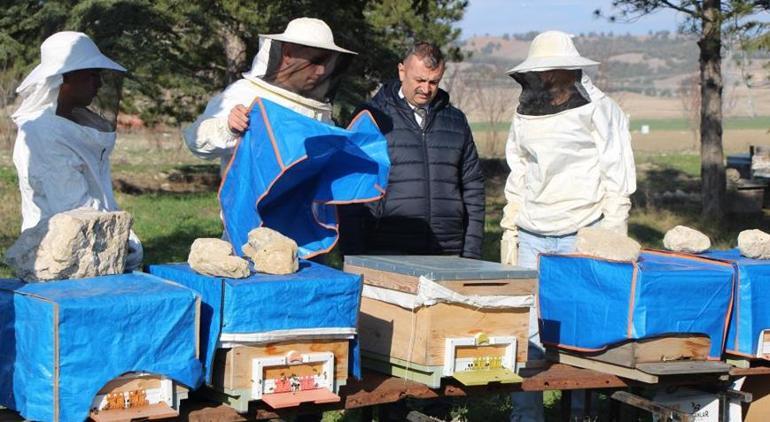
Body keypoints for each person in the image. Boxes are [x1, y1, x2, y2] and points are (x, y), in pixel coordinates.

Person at [501, 31, 637, 421]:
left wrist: (614, 231)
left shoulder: (601, 109)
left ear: (568, 70)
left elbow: (617, 175)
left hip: (584, 229)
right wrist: (510, 225)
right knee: (527, 335)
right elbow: (520, 169)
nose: (544, 80)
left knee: (584, 331)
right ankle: (526, 416)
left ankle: (582, 413)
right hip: (532, 232)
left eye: (550, 71)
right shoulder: (525, 112)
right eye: (540, 72)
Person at [339, 42, 485, 259]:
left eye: (434, 82)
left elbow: (473, 187)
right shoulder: (371, 117)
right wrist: (353, 253)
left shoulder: (456, 121)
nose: (426, 89)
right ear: (401, 71)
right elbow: (350, 187)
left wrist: (471, 253)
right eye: (420, 80)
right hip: (386, 248)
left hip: (447, 250)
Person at [12, 31, 143, 269]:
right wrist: (124, 240)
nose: (99, 83)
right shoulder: (43, 132)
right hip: (61, 259)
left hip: (94, 250)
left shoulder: (74, 122)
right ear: (63, 80)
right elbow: (74, 211)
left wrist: (124, 240)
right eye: (92, 75)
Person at [184, 17, 356, 171]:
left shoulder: (318, 108)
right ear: (288, 53)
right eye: (316, 61)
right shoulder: (246, 92)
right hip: (250, 206)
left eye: (327, 62)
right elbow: (196, 140)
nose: (322, 71)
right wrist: (229, 127)